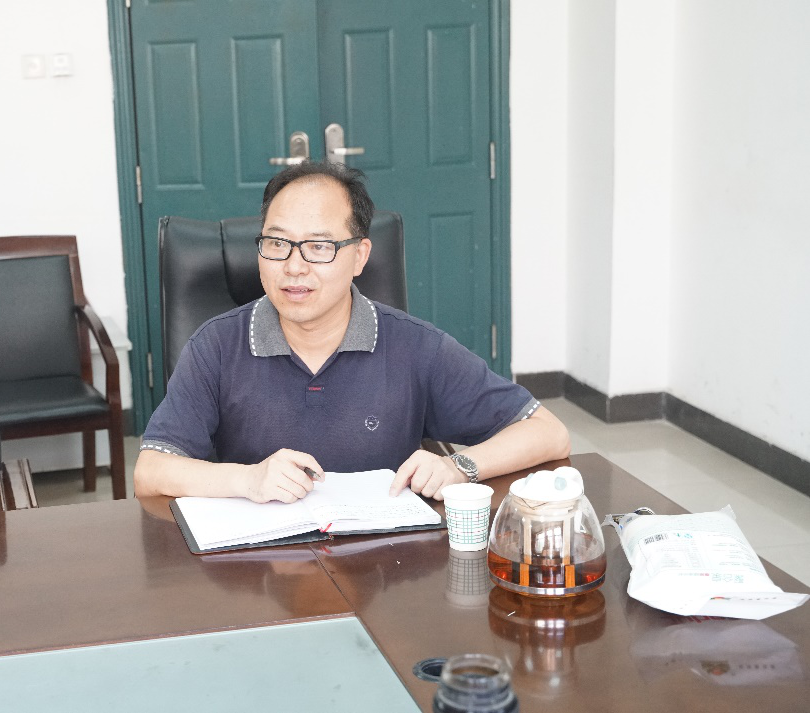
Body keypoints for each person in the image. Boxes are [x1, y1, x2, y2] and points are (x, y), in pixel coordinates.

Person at [134, 162, 569, 503]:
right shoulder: (216, 345)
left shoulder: (415, 346)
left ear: (360, 256)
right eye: (277, 243)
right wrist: (248, 479)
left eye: (319, 246)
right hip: (261, 567)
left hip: (382, 569)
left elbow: (548, 432)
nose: (294, 266)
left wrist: (460, 466)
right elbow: (151, 471)